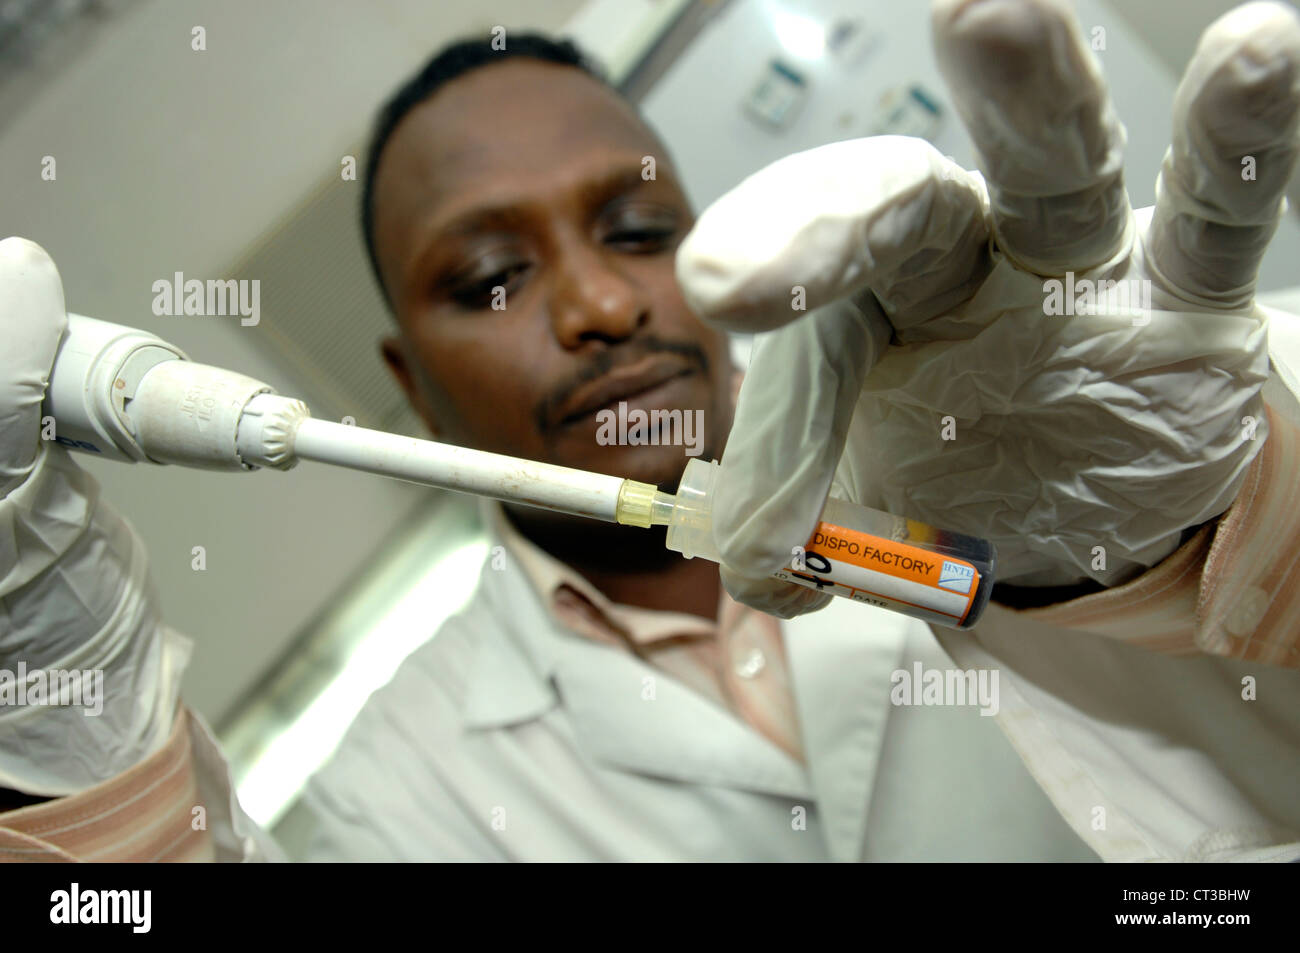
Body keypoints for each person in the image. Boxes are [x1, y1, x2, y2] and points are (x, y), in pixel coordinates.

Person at [1, 0, 1297, 862]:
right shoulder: (393, 796)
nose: (605, 304)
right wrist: (78, 741)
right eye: (492, 278)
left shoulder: (1012, 468)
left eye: (637, 231)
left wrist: (1191, 555)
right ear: (411, 378)